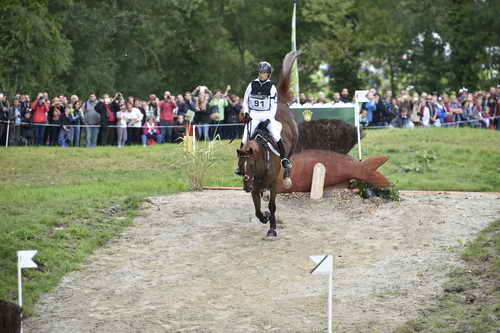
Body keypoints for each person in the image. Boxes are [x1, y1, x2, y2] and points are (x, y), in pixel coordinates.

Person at [235, 61, 291, 176]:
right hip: (254, 115)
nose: (262, 75)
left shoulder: (271, 87)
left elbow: (273, 105)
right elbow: (245, 101)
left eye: (264, 73)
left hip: (266, 115)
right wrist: (246, 113)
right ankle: (240, 165)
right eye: (260, 72)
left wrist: (269, 119)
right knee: (245, 137)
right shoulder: (251, 85)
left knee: (276, 135)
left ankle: (284, 159)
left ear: (268, 74)